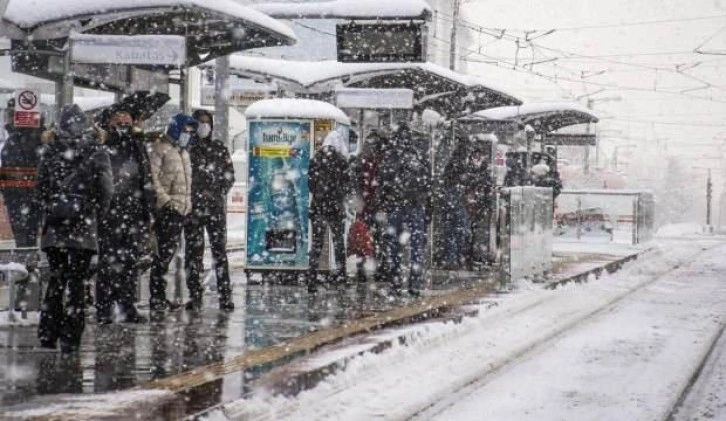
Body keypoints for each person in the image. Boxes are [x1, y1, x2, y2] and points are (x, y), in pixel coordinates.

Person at [36, 104, 113, 352]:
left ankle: (48, 334)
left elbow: (40, 190)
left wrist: (50, 210)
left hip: (56, 226)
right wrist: (95, 212)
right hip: (84, 226)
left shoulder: (50, 149)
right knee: (78, 283)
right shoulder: (97, 151)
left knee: (56, 280)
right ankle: (71, 338)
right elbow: (106, 188)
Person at [95, 110, 155, 324]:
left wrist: (148, 210)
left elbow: (146, 178)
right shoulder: (103, 146)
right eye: (119, 122)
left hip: (134, 213)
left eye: (127, 122)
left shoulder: (137, 146)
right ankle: (104, 309)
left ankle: (127, 306)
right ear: (110, 123)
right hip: (110, 214)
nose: (123, 126)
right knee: (108, 263)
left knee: (129, 263)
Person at [183, 109, 235, 311]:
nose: (205, 126)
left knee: (219, 253)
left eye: (207, 122)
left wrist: (216, 191)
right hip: (193, 209)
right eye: (200, 122)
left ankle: (225, 295)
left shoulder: (218, 148)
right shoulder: (187, 148)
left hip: (214, 209)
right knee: (193, 254)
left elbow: (229, 175)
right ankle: (195, 295)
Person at [146, 114, 195, 312]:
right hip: (167, 210)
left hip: (180, 210)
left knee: (168, 256)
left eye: (191, 132)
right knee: (161, 257)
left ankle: (161, 296)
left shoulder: (183, 152)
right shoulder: (161, 149)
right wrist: (165, 202)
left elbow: (187, 184)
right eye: (186, 130)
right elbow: (153, 178)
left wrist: (186, 205)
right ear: (176, 129)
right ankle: (156, 298)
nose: (188, 135)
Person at [378, 124, 432, 296]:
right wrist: (428, 209)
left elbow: (383, 182)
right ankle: (414, 282)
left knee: (393, 246)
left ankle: (395, 282)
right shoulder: (418, 156)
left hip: (396, 206)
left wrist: (384, 204)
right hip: (416, 206)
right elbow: (428, 184)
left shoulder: (391, 156)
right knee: (416, 246)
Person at [308, 131, 350, 292]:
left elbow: (310, 185)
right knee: (338, 242)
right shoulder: (341, 161)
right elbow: (347, 186)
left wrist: (321, 195)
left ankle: (311, 278)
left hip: (318, 207)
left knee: (317, 243)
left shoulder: (316, 159)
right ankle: (341, 276)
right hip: (335, 209)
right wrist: (337, 196)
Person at [0, 98, 45, 247]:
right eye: (9, 114)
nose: (11, 118)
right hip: (15, 195)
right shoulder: (13, 139)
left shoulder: (34, 137)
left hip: (28, 195)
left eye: (14, 114)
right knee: (23, 236)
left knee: (27, 235)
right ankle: (27, 263)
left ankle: (28, 264)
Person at [460, 139, 495, 269]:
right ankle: (470, 256)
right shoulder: (469, 170)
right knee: (469, 232)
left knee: (479, 232)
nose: (477, 159)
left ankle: (477, 256)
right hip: (470, 205)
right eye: (475, 156)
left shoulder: (483, 172)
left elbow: (487, 189)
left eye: (479, 156)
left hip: (479, 205)